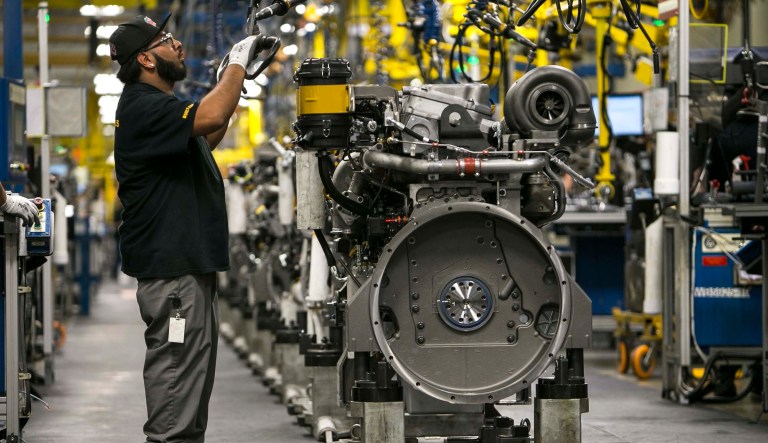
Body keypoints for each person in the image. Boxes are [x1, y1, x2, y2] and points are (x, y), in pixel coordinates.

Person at [108, 13, 263, 443]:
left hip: (186, 268)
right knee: (176, 396)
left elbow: (205, 135)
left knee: (189, 396)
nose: (178, 45)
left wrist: (232, 84)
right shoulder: (143, 105)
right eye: (167, 40)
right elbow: (210, 117)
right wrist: (235, 65)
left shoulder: (159, 110)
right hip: (173, 272)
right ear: (146, 59)